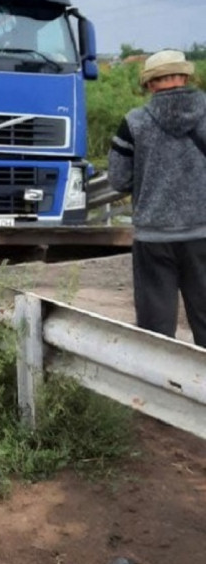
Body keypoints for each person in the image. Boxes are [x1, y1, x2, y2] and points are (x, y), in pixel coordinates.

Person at [108, 48, 206, 346]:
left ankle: (158, 389)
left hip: (153, 239)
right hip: (203, 235)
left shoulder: (134, 122)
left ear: (150, 83)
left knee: (156, 332)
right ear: (187, 77)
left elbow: (118, 179)